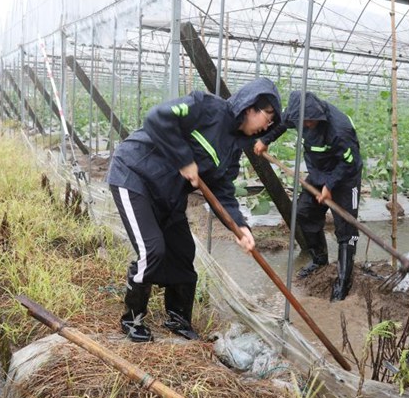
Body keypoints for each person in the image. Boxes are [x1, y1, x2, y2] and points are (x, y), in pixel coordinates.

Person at [107, 78, 281, 342]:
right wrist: (184, 159)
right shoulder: (206, 107)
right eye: (268, 116)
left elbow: (222, 191)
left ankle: (178, 318)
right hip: (135, 177)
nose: (268, 125)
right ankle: (132, 319)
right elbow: (157, 117)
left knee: (183, 252)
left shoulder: (234, 148)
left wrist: (239, 226)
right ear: (250, 107)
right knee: (153, 251)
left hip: (169, 195)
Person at [254, 91, 362, 302]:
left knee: (346, 228)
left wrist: (330, 186)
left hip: (345, 176)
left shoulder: (340, 128)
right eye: (303, 122)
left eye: (311, 121)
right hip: (318, 172)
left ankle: (343, 282)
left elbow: (350, 162)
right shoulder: (297, 114)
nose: (307, 125)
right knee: (304, 212)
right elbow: (282, 124)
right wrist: (265, 140)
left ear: (318, 115)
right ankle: (320, 260)